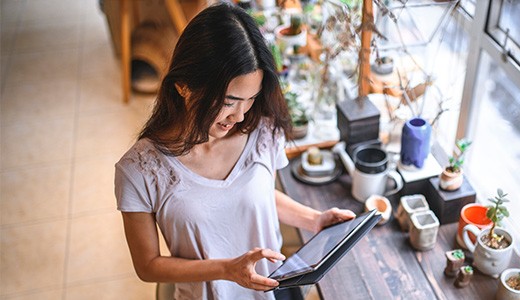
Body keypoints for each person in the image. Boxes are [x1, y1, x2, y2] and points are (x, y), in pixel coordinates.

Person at [114, 4, 355, 299]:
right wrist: (226, 270)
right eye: (229, 101)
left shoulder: (262, 130)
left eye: (250, 99)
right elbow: (148, 266)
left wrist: (315, 220)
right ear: (184, 86)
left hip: (276, 290)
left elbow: (258, 194)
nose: (239, 116)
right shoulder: (139, 169)